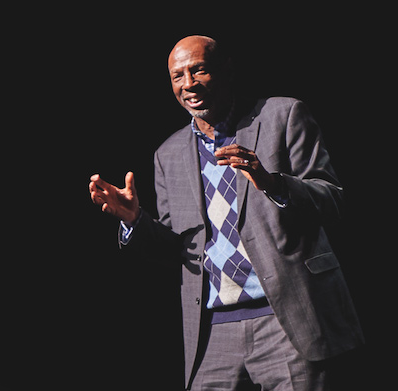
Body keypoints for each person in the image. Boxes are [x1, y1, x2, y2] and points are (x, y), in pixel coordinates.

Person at [89, 35, 364, 391]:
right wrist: (134, 221)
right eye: (177, 76)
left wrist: (272, 182)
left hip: (288, 319)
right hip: (213, 330)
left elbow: (332, 199)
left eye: (199, 70)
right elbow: (179, 249)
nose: (188, 84)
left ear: (226, 70)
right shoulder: (168, 154)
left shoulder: (282, 115)